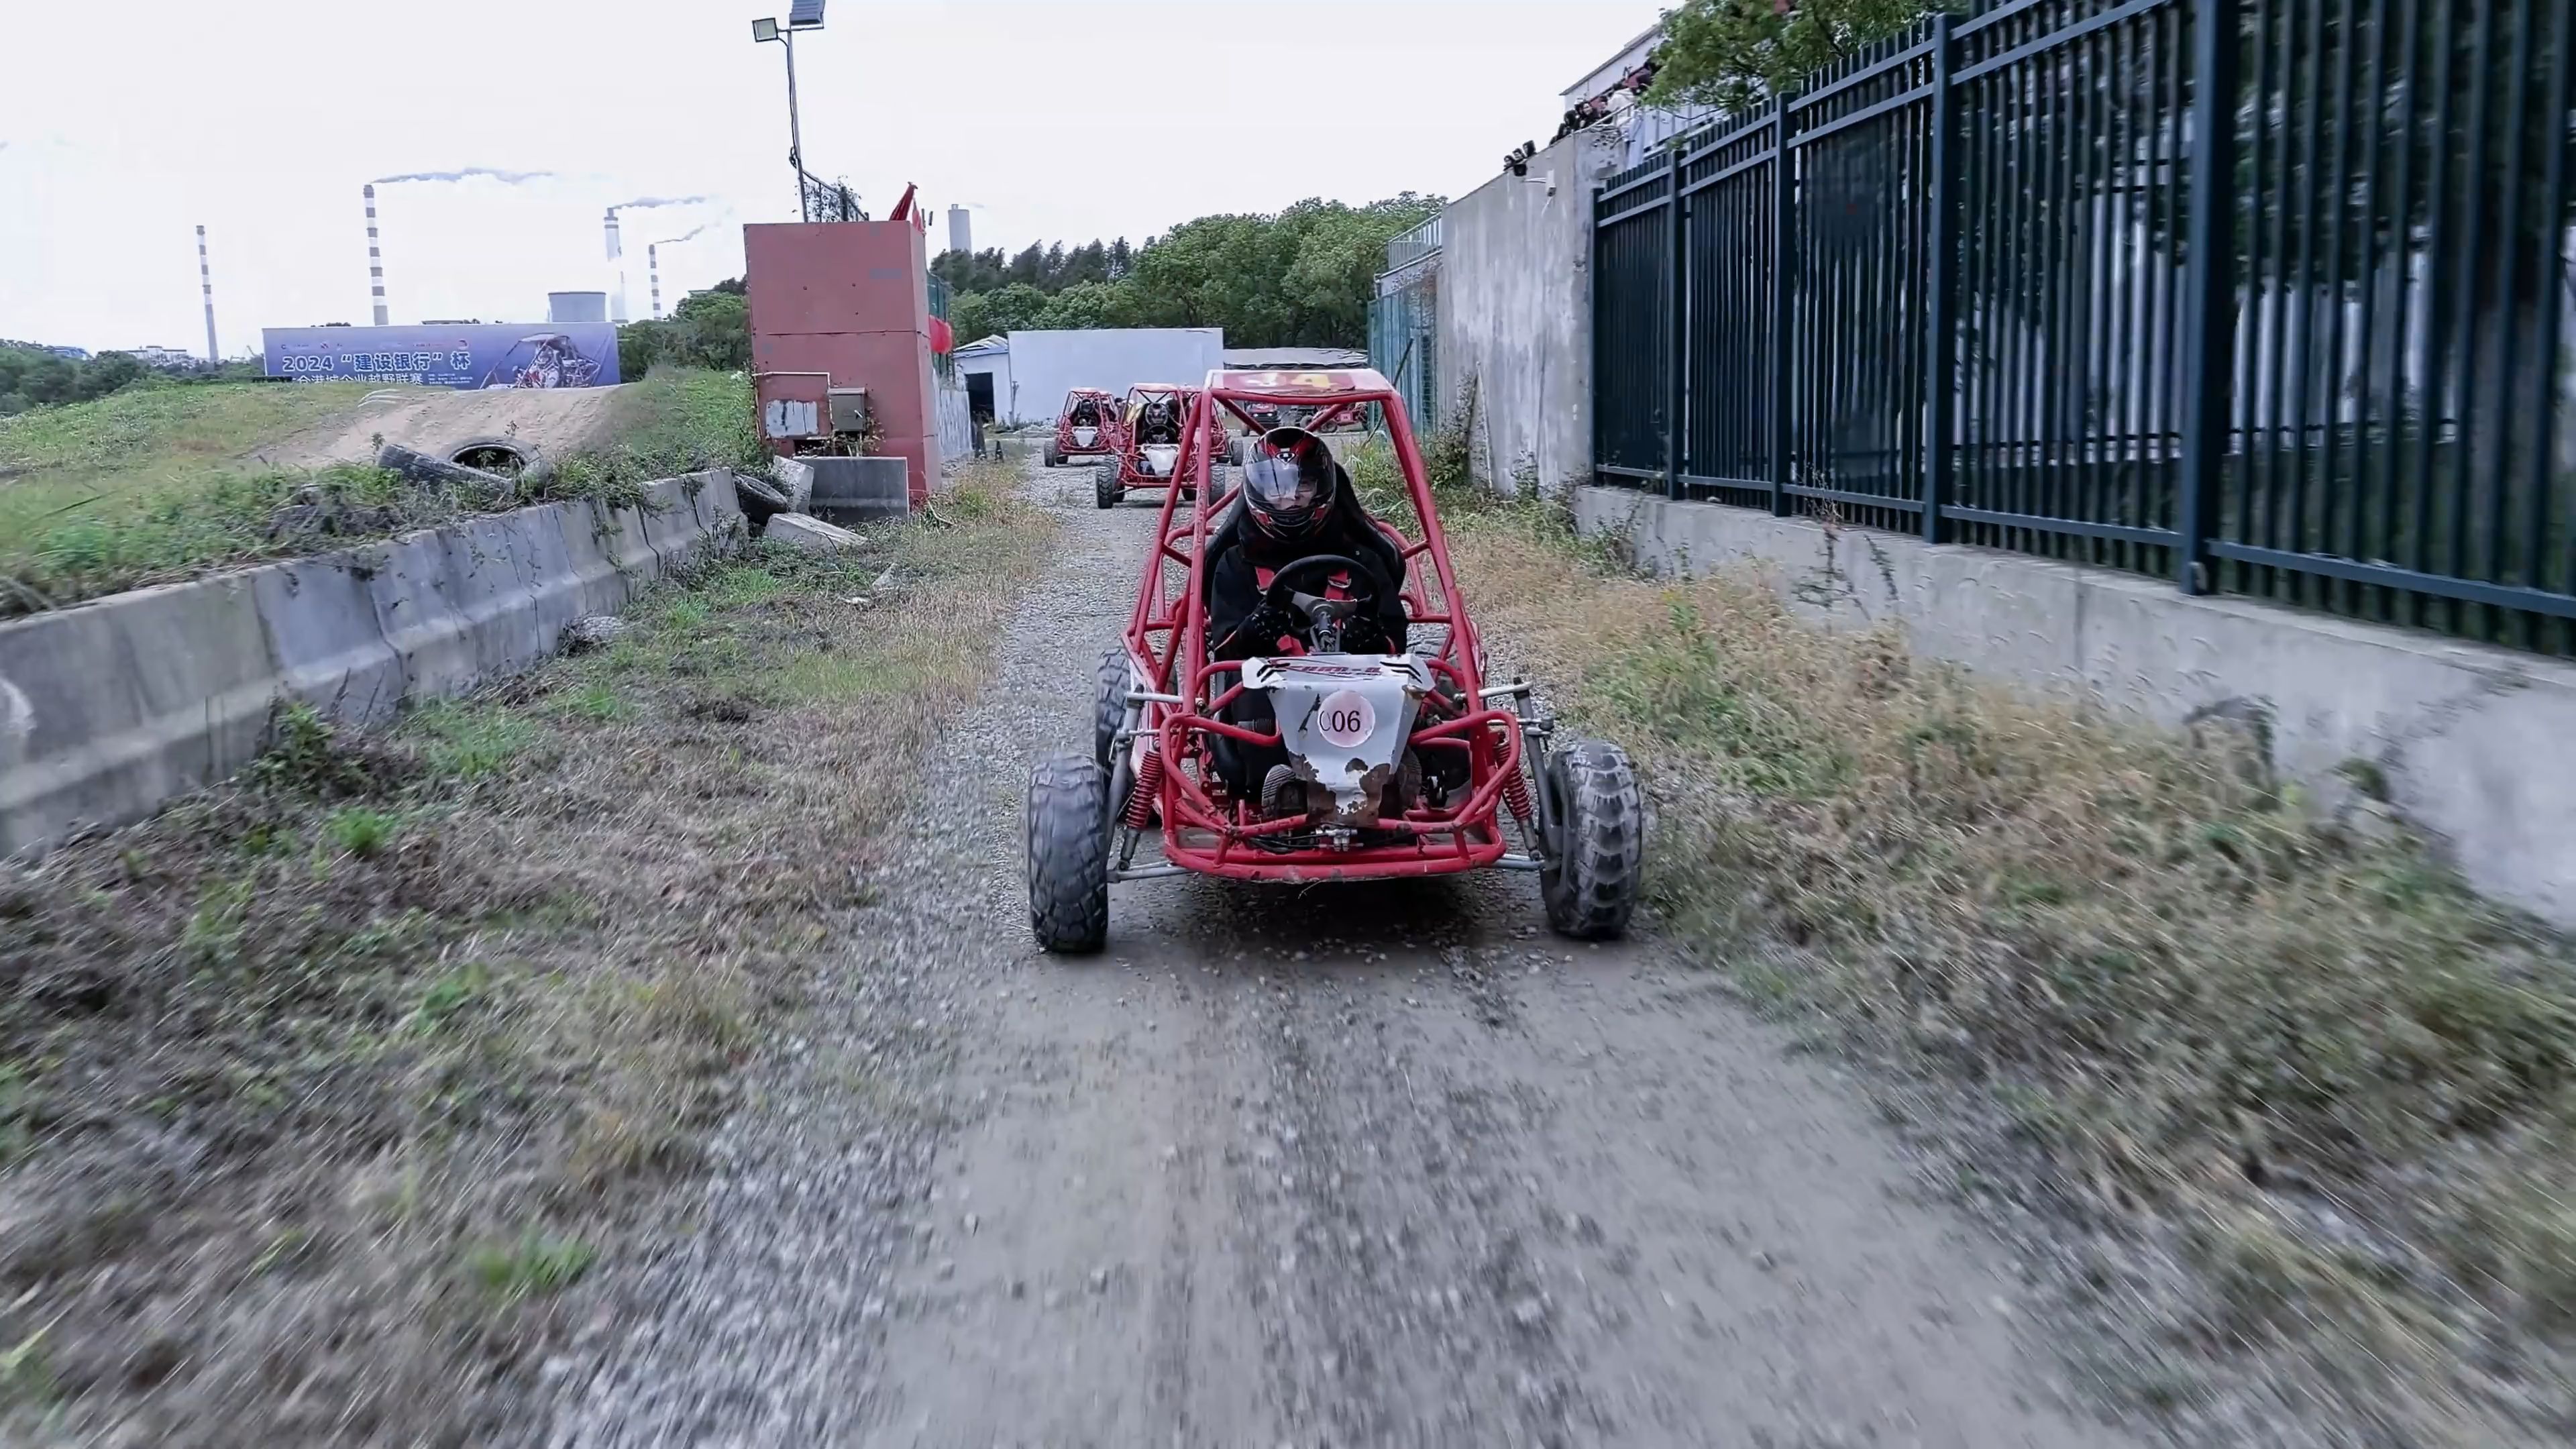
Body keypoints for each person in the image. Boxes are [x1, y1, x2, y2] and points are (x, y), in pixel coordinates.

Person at [1201, 426, 1411, 808]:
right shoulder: (1236, 563)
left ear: (1323, 488)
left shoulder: (1363, 558)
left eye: (1302, 488)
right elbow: (1224, 647)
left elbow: (1396, 636)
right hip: (1269, 690)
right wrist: (1256, 629)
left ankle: (1383, 781)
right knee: (1247, 692)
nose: (1289, 500)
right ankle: (1277, 790)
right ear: (1256, 491)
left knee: (1409, 693)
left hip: (1358, 680)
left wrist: (1371, 637)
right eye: (1276, 490)